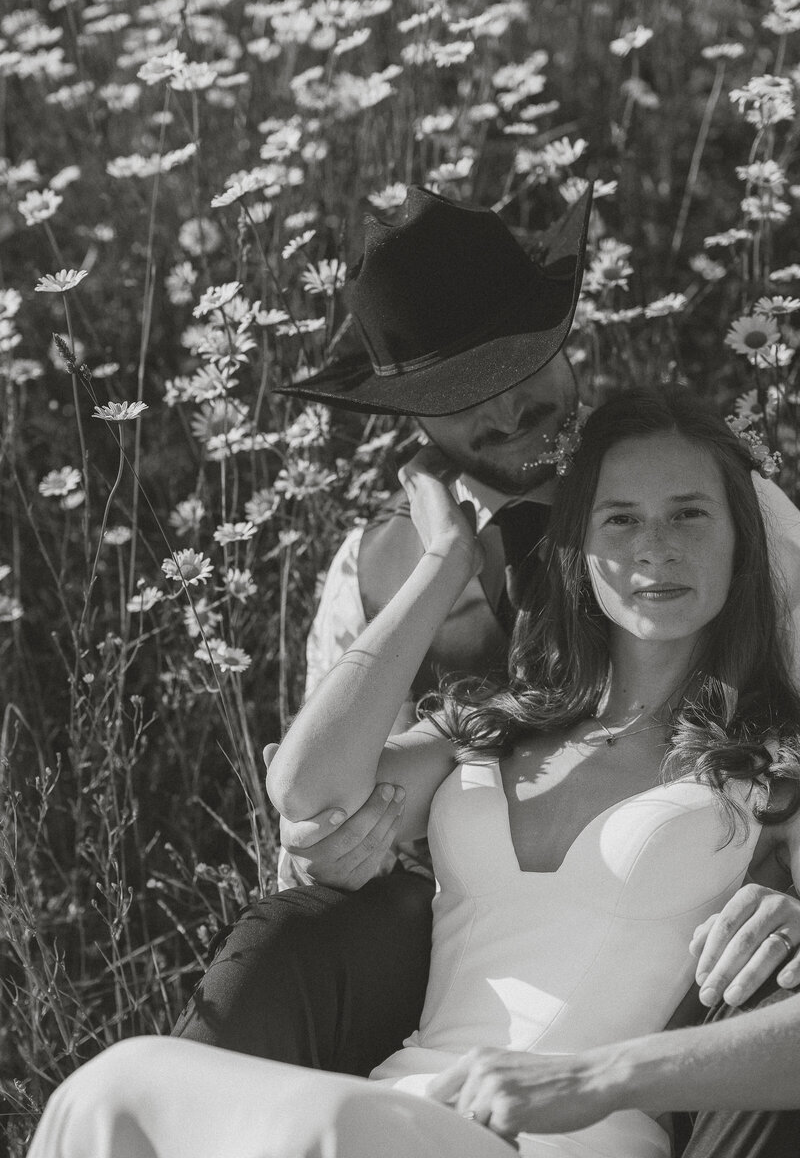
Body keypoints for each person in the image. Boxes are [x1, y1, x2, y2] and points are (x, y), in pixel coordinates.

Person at [168, 186, 800, 1155]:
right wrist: (440, 568)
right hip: (435, 947)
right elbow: (312, 820)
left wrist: (787, 882)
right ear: (411, 417)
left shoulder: (707, 497)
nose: (507, 410)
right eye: (462, 395)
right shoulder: (371, 571)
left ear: (563, 342)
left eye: (521, 367)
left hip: (669, 959)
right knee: (269, 949)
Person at [27, 387, 800, 1158]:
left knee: (332, 1130)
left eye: (689, 514)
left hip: (565, 1137)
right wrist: (444, 560)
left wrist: (599, 1079)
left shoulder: (776, 767)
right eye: (621, 517)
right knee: (111, 1087)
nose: (653, 547)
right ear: (581, 547)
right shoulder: (498, 724)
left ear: (741, 538)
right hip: (401, 1108)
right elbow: (306, 790)